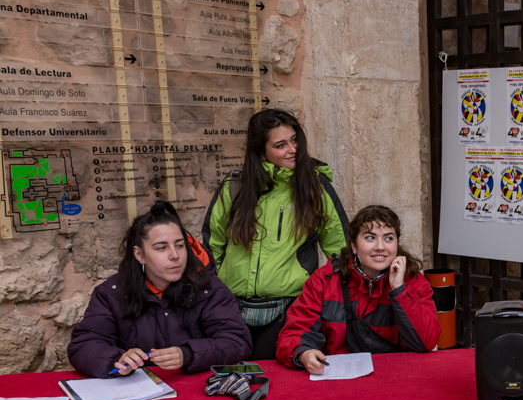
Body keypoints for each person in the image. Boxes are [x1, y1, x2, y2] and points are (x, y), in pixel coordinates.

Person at [202, 108, 350, 361]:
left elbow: (339, 250)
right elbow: (212, 248)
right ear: (261, 151)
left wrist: (328, 299)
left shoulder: (315, 186)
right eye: (280, 145)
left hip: (291, 308)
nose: (292, 149)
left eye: (294, 140)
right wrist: (212, 298)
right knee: (233, 376)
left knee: (279, 376)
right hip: (232, 308)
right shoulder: (234, 186)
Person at [68, 202, 251, 377]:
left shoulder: (209, 289)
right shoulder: (112, 294)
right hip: (138, 391)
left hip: (196, 389)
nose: (175, 255)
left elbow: (236, 342)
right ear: (139, 254)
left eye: (179, 245)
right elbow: (84, 345)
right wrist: (116, 360)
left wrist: (188, 354)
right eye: (162, 248)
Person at [277, 205, 442, 373]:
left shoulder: (412, 281)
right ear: (354, 246)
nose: (380, 247)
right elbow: (293, 333)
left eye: (388, 238)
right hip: (338, 378)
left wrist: (399, 291)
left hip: (396, 375)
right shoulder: (324, 280)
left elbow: (427, 341)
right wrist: (304, 353)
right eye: (370, 238)